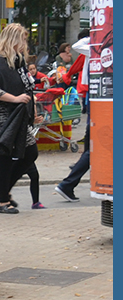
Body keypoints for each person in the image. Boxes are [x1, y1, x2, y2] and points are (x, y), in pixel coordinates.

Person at [0, 23, 43, 212]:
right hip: (3, 117)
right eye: (23, 39)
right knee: (5, 157)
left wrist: (33, 110)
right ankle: (3, 200)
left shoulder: (19, 61)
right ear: (14, 40)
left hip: (20, 116)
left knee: (30, 153)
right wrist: (15, 99)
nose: (25, 43)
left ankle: (2, 192)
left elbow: (27, 87)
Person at [56, 35, 92, 202]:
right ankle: (68, 184)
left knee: (92, 149)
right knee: (94, 149)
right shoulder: (96, 47)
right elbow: (79, 46)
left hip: (94, 98)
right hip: (98, 100)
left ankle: (68, 184)